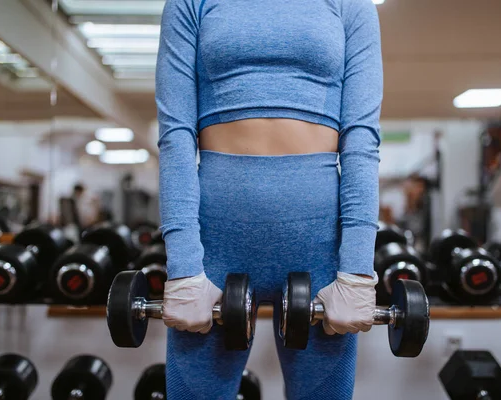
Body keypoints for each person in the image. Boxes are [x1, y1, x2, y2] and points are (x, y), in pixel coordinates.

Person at [156, 0, 383, 397]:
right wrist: (183, 266)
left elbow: (361, 139)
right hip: (214, 246)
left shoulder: (350, 4)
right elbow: (175, 137)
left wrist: (358, 270)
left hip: (318, 246)